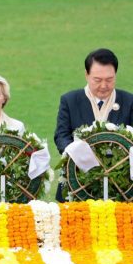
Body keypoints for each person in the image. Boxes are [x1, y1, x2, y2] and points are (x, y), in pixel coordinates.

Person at [54, 48, 133, 200]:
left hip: (121, 186)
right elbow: (61, 136)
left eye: (109, 80)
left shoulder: (129, 101)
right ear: (87, 75)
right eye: (97, 80)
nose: (103, 85)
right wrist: (76, 153)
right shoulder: (70, 100)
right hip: (77, 182)